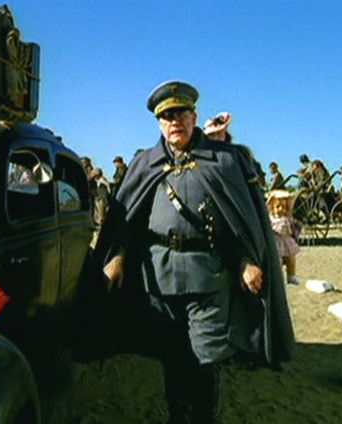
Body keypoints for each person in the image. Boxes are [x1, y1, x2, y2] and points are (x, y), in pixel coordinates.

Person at [97, 81, 295, 423]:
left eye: (181, 114)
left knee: (205, 357)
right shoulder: (145, 163)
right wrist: (116, 257)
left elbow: (241, 219)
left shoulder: (225, 161)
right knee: (173, 357)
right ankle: (178, 416)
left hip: (209, 277)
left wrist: (248, 259)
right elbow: (127, 218)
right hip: (160, 279)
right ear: (159, 123)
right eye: (167, 116)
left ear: (194, 116)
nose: (175, 121)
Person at [203, 111, 267, 187]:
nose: (216, 137)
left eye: (219, 133)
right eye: (212, 134)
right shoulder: (202, 159)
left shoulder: (241, 152)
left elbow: (258, 182)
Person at [267, 190, 301, 285]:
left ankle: (291, 275)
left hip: (286, 241)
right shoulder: (271, 219)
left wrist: (296, 224)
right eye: (278, 207)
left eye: (284, 207)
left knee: (291, 259)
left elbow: (293, 224)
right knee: (278, 261)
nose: (281, 209)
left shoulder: (287, 218)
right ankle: (278, 278)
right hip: (277, 242)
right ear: (272, 208)